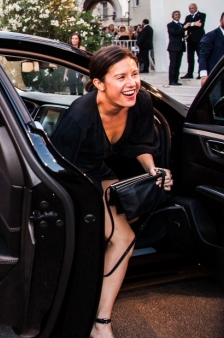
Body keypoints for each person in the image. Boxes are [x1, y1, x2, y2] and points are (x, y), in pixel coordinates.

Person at [50, 46, 172, 338]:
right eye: (121, 77)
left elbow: (140, 143)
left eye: (135, 74)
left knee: (126, 227)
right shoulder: (79, 116)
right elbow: (57, 168)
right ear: (99, 83)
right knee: (123, 239)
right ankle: (99, 323)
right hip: (74, 178)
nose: (132, 83)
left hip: (99, 171)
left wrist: (152, 169)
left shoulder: (141, 102)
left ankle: (95, 303)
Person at [199, 11, 224, 105]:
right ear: (220, 20)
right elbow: (203, 56)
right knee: (215, 100)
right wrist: (204, 75)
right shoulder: (211, 36)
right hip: (214, 74)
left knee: (222, 101)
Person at [182, 3, 206, 79]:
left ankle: (200, 73)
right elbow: (184, 26)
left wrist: (189, 24)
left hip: (199, 39)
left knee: (200, 56)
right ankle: (189, 73)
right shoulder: (188, 17)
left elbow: (200, 25)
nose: (191, 10)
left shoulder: (202, 15)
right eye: (189, 8)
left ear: (196, 8)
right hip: (190, 39)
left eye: (192, 8)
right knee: (190, 57)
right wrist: (194, 23)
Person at [167, 11, 186, 86]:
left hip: (180, 47)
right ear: (172, 16)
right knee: (173, 64)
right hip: (173, 47)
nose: (177, 16)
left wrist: (184, 37)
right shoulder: (170, 25)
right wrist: (183, 28)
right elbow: (175, 33)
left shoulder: (181, 24)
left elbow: (180, 35)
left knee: (178, 65)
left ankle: (176, 80)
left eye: (178, 14)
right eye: (176, 15)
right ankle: (172, 80)